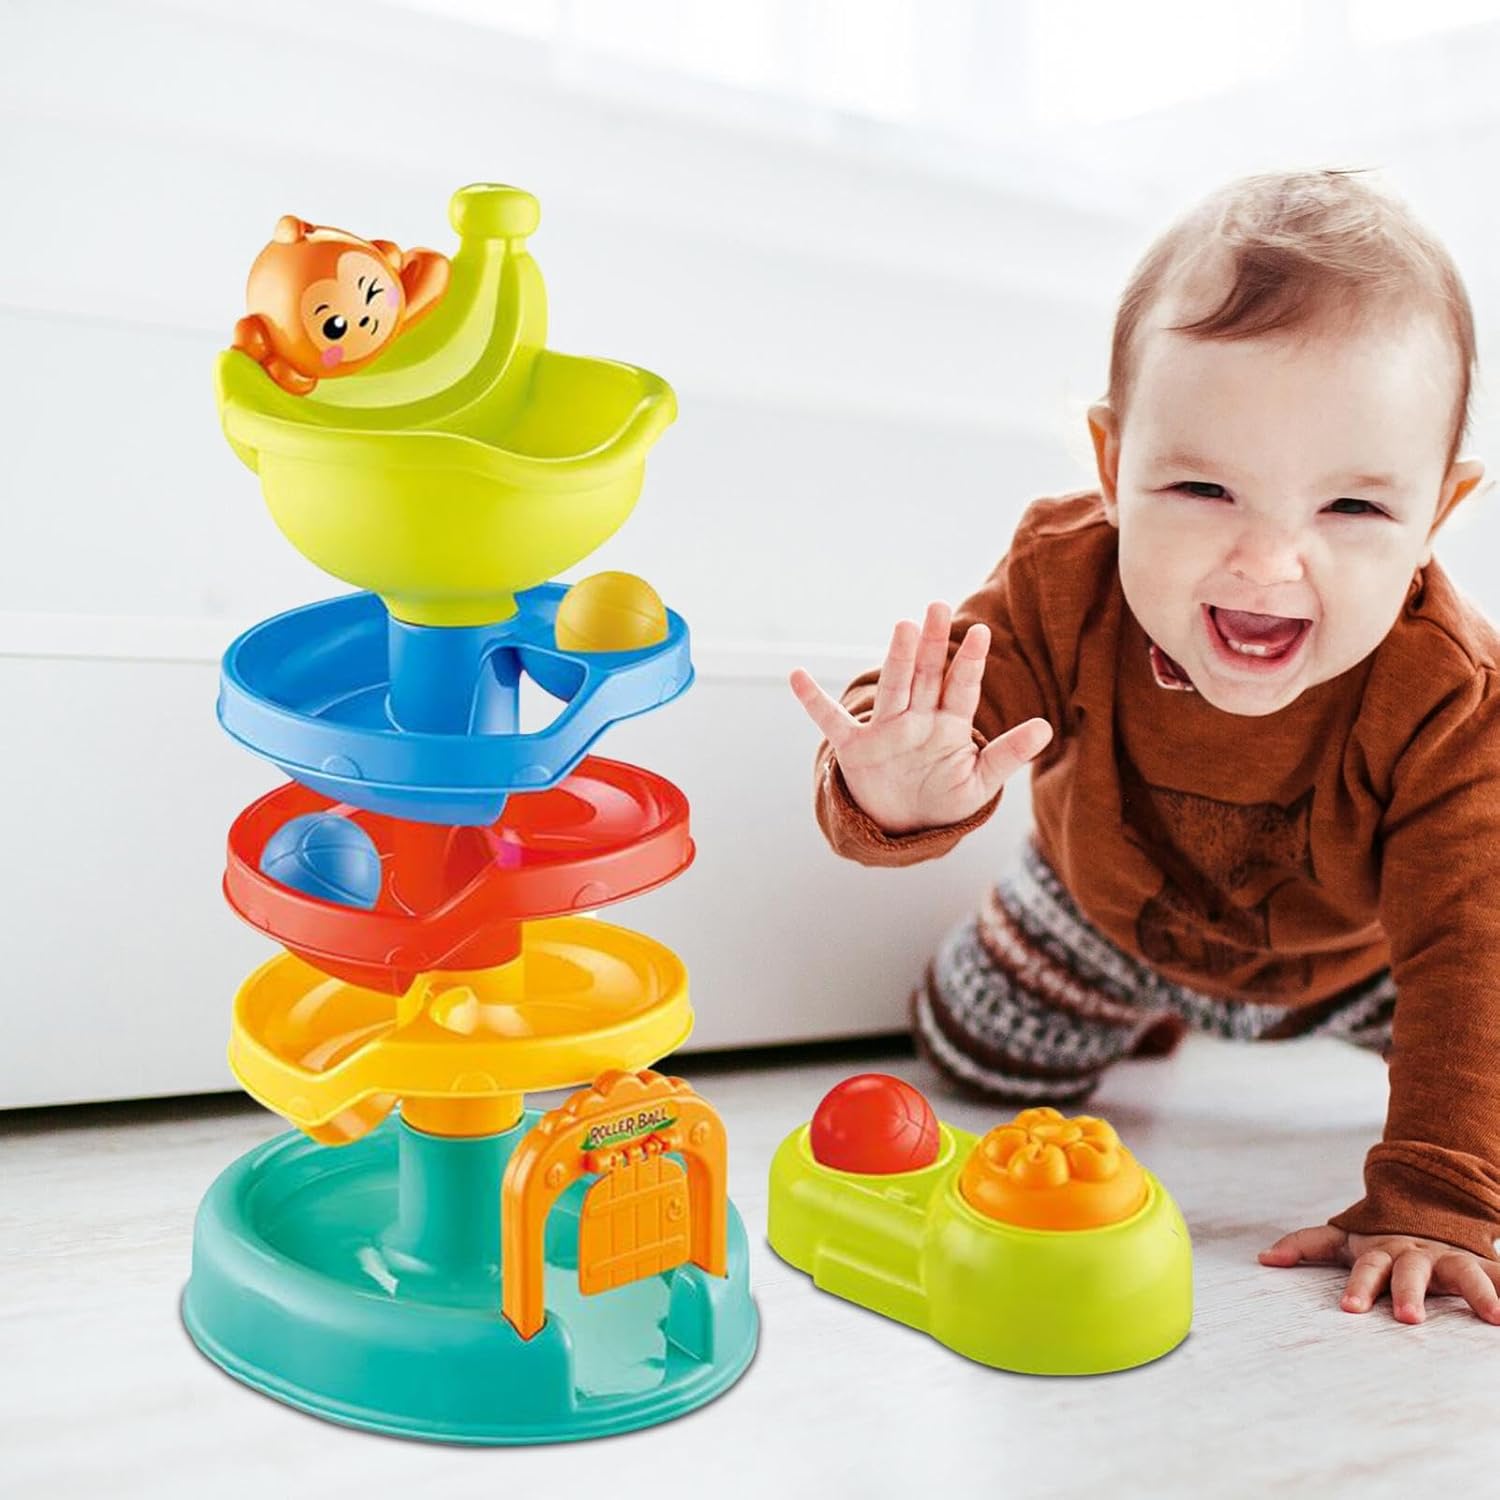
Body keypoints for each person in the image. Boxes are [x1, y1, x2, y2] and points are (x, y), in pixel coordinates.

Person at [791, 169, 1500, 1326]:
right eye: (1205, 487)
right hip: (1100, 913)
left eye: (1353, 509)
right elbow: (953, 702)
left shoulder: (1450, 698)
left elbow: (1472, 945)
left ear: (1437, 515)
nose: (1267, 562)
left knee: (1482, 1054)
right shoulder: (1063, 579)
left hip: (1361, 962)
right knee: (975, 1057)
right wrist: (899, 784)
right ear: (1113, 467)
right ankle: (1136, 1011)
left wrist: (1437, 1194)